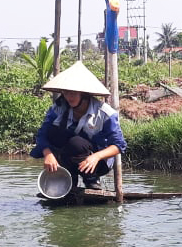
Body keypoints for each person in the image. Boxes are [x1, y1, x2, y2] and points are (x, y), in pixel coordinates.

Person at [30, 61, 126, 191]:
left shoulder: (105, 114)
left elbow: (118, 145)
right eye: (66, 92)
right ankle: (69, 178)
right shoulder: (58, 109)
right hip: (68, 156)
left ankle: (91, 179)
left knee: (76, 143)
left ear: (84, 94)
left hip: (98, 162)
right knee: (54, 132)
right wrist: (48, 154)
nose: (69, 97)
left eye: (74, 93)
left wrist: (95, 157)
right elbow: (42, 134)